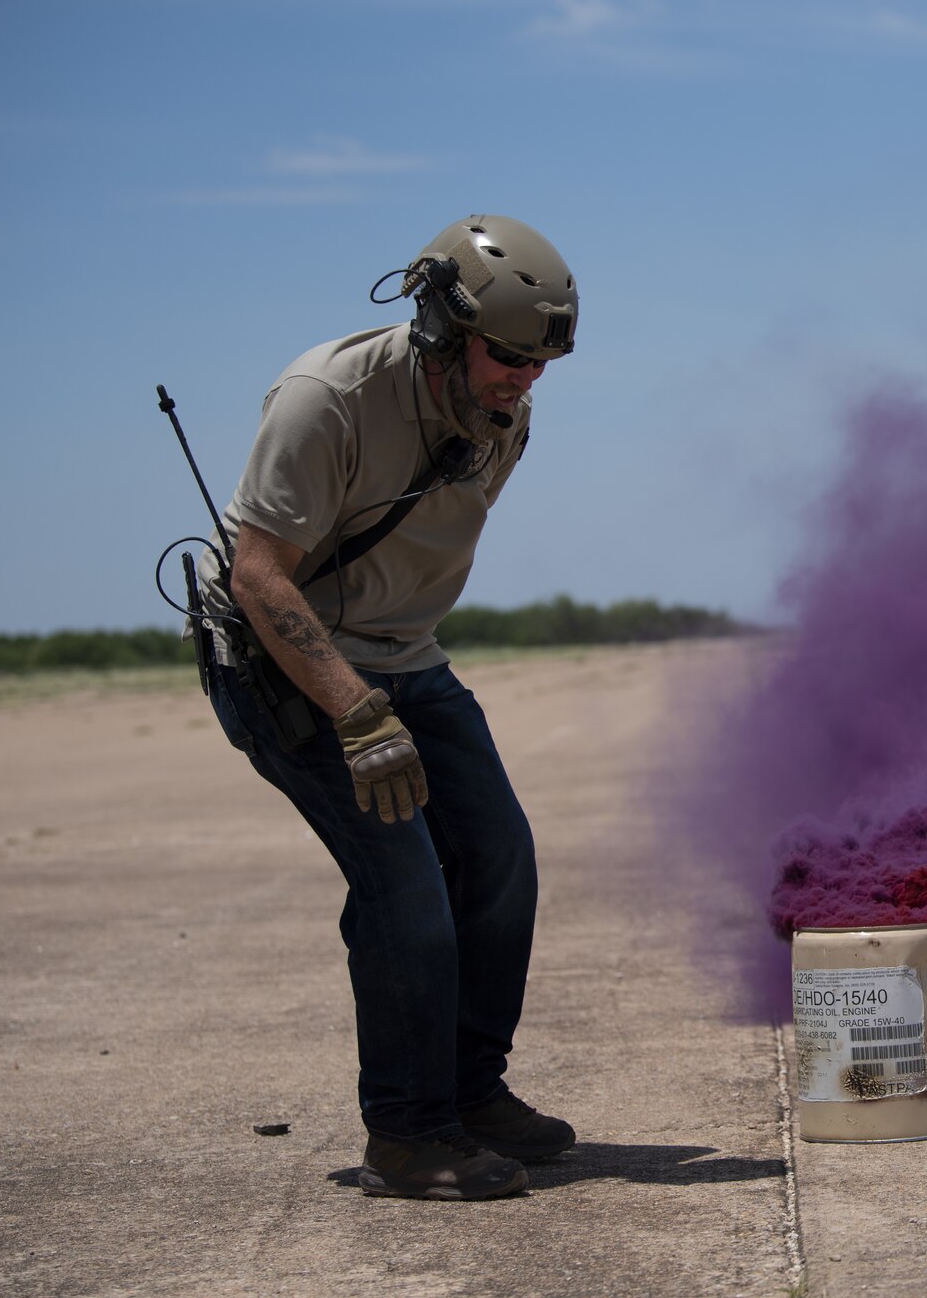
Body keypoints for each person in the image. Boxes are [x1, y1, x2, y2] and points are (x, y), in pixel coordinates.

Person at [199, 215, 580, 1200]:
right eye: (507, 357)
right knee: (405, 886)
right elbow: (258, 577)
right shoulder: (323, 402)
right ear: (442, 330)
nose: (524, 381)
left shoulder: (505, 413)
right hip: (288, 666)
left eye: (541, 364)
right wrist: (358, 715)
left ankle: (469, 1091)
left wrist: (395, 690)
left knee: (497, 857)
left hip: (408, 661)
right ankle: (407, 1134)